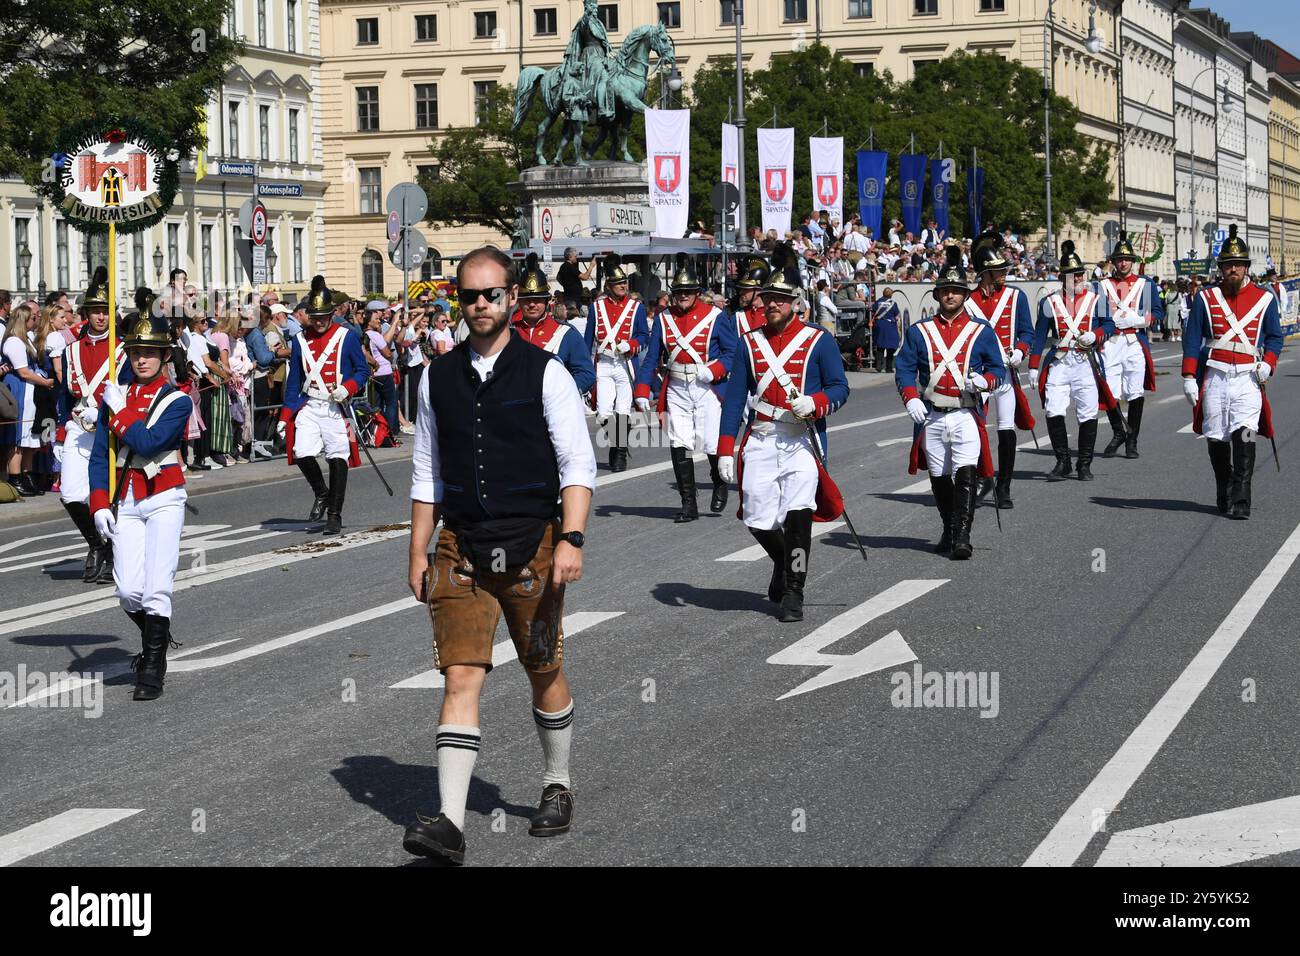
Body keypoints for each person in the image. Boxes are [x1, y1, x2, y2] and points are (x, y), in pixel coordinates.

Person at [403, 245, 596, 865]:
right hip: (460, 544)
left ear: (512, 298)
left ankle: (557, 782)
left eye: (491, 294)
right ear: (457, 301)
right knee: (461, 672)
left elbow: (577, 463)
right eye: (469, 295)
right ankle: (451, 825)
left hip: (533, 542)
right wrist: (417, 550)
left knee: (543, 668)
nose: (480, 305)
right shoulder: (436, 375)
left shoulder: (546, 372)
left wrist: (571, 538)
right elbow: (428, 468)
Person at [716, 252, 849, 621]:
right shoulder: (749, 343)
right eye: (768, 298)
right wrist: (726, 448)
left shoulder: (818, 340)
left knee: (798, 514)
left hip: (801, 439)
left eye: (780, 299)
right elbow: (734, 399)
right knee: (757, 518)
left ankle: (794, 590)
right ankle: (783, 563)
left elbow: (840, 388)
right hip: (760, 437)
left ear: (795, 303)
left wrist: (816, 401)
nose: (771, 304)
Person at [88, 310, 193, 701]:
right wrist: (98, 502)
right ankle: (158, 634)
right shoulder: (115, 395)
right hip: (125, 499)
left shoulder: (177, 400)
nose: (141, 359)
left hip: (164, 497)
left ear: (165, 356)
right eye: (135, 352)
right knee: (128, 591)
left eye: (150, 352)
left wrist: (119, 410)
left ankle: (152, 666)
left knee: (156, 589)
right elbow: (101, 454)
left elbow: (149, 443)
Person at [896, 245, 1005, 560]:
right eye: (945, 291)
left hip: (966, 412)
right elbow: (903, 369)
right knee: (940, 477)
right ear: (938, 295)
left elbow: (997, 368)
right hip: (932, 414)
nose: (950, 296)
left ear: (964, 295)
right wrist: (910, 398)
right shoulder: (920, 331)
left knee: (966, 473)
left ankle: (963, 535)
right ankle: (948, 526)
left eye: (956, 291)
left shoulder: (980, 331)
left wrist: (986, 381)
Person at [1181, 225, 1284, 519]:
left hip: (1248, 378)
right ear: (1221, 268)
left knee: (1245, 436)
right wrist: (1189, 376)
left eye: (1238, 264)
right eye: (1228, 265)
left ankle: (1241, 498)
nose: (1233, 270)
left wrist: (1269, 362)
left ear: (1247, 267)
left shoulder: (1265, 298)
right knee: (1216, 438)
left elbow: (1274, 337)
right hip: (1215, 376)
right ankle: (1223, 487)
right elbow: (1192, 338)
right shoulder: (1205, 298)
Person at [634, 255, 737, 521]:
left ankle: (719, 484)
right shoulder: (663, 318)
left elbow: (732, 353)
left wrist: (713, 370)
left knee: (711, 442)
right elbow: (652, 356)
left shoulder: (715, 316)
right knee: (679, 443)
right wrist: (642, 389)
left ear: (697, 293)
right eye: (679, 292)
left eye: (688, 292)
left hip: (707, 387)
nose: (683, 296)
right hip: (677, 387)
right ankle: (688, 504)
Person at [277, 276, 370, 535]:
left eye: (323, 317)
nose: (318, 322)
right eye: (314, 317)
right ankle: (322, 493)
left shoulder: (346, 337)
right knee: (302, 452)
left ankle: (335, 515)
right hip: (310, 404)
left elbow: (362, 371)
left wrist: (347, 388)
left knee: (337, 455)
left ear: (331, 315)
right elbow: (294, 381)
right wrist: (285, 416)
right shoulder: (299, 341)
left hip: (335, 407)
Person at [1029, 241, 1116, 483]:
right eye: (1072, 275)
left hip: (1085, 362)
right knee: (1054, 409)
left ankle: (1084, 464)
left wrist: (1095, 335)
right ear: (1062, 278)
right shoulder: (1049, 302)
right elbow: (1039, 337)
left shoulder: (1096, 299)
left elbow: (1109, 325)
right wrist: (1034, 366)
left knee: (1087, 413)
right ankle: (1063, 461)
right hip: (1059, 361)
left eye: (1079, 274)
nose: (1077, 279)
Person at [59, 277, 126, 580]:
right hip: (78, 428)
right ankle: (97, 544)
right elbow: (64, 395)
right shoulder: (71, 351)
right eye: (95, 310)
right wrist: (61, 429)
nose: (100, 316)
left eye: (105, 310)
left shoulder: (123, 351)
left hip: (108, 429)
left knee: (108, 495)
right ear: (86, 313)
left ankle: (112, 552)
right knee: (71, 494)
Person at [964, 230, 1036, 508]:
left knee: (1006, 428)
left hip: (1005, 373)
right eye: (997, 270)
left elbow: (1027, 332)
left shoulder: (1016, 297)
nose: (1003, 274)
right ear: (984, 273)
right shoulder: (968, 301)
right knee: (975, 428)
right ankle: (984, 477)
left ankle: (1004, 486)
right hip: (978, 375)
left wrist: (1020, 350)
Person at [1095, 232, 1162, 459]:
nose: (1123, 263)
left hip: (1134, 341)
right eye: (1119, 259)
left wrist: (1140, 320)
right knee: (1110, 391)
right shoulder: (1102, 285)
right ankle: (1118, 432)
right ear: (1113, 262)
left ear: (1132, 261)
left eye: (1127, 259)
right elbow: (1095, 315)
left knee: (1135, 392)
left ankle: (1132, 439)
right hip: (1111, 343)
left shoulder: (1146, 284)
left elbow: (1158, 313)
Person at [583, 254, 647, 473]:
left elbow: (643, 336)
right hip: (604, 363)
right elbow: (587, 340)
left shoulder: (636, 307)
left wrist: (631, 344)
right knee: (603, 413)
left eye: (624, 282)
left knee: (623, 411)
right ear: (609, 286)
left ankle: (619, 455)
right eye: (619, 283)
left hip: (625, 363)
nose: (623, 286)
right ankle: (618, 444)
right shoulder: (596, 308)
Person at [512, 253, 596, 397]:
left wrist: (562, 394)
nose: (532, 304)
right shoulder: (508, 333)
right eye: (527, 299)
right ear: (519, 301)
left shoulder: (566, 333)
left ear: (546, 301)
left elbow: (586, 374)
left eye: (537, 299)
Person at [2, 303, 55, 497]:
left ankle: (26, 475)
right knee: (18, 436)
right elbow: (24, 372)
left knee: (29, 436)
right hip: (20, 390)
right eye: (32, 318)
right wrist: (46, 382)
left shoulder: (25, 340)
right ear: (23, 320)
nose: (36, 320)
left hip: (30, 390)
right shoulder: (15, 342)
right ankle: (16, 478)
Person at [363, 302, 401, 439]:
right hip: (384, 372)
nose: (379, 321)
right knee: (391, 403)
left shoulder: (365, 335)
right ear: (369, 322)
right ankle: (388, 434)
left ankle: (376, 433)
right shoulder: (374, 335)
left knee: (376, 405)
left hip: (374, 374)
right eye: (376, 319)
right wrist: (389, 357)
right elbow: (388, 354)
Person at [730, 258, 769, 336]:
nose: (741, 292)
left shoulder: (772, 315)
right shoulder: (737, 316)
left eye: (746, 289)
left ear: (758, 290)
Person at [556, 247, 595, 320]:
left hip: (571, 297)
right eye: (575, 256)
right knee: (574, 317)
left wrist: (566, 284)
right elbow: (585, 277)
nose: (576, 258)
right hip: (573, 298)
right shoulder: (570, 267)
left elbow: (558, 278)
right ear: (570, 257)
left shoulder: (563, 266)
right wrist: (591, 266)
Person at [871, 288, 901, 372]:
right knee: (890, 348)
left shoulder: (878, 302)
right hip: (890, 326)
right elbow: (896, 315)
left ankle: (878, 366)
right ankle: (888, 368)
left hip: (879, 324)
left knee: (880, 346)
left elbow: (873, 311)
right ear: (891, 295)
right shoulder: (893, 303)